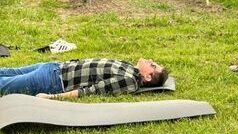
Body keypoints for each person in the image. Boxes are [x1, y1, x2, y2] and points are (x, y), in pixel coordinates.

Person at [0, 58, 168, 99]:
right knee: (7, 71)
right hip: (55, 66)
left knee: (4, 84)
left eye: (153, 66)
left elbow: (90, 91)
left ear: (147, 77)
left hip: (52, 80)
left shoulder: (129, 81)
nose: (151, 61)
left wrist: (52, 97)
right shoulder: (131, 68)